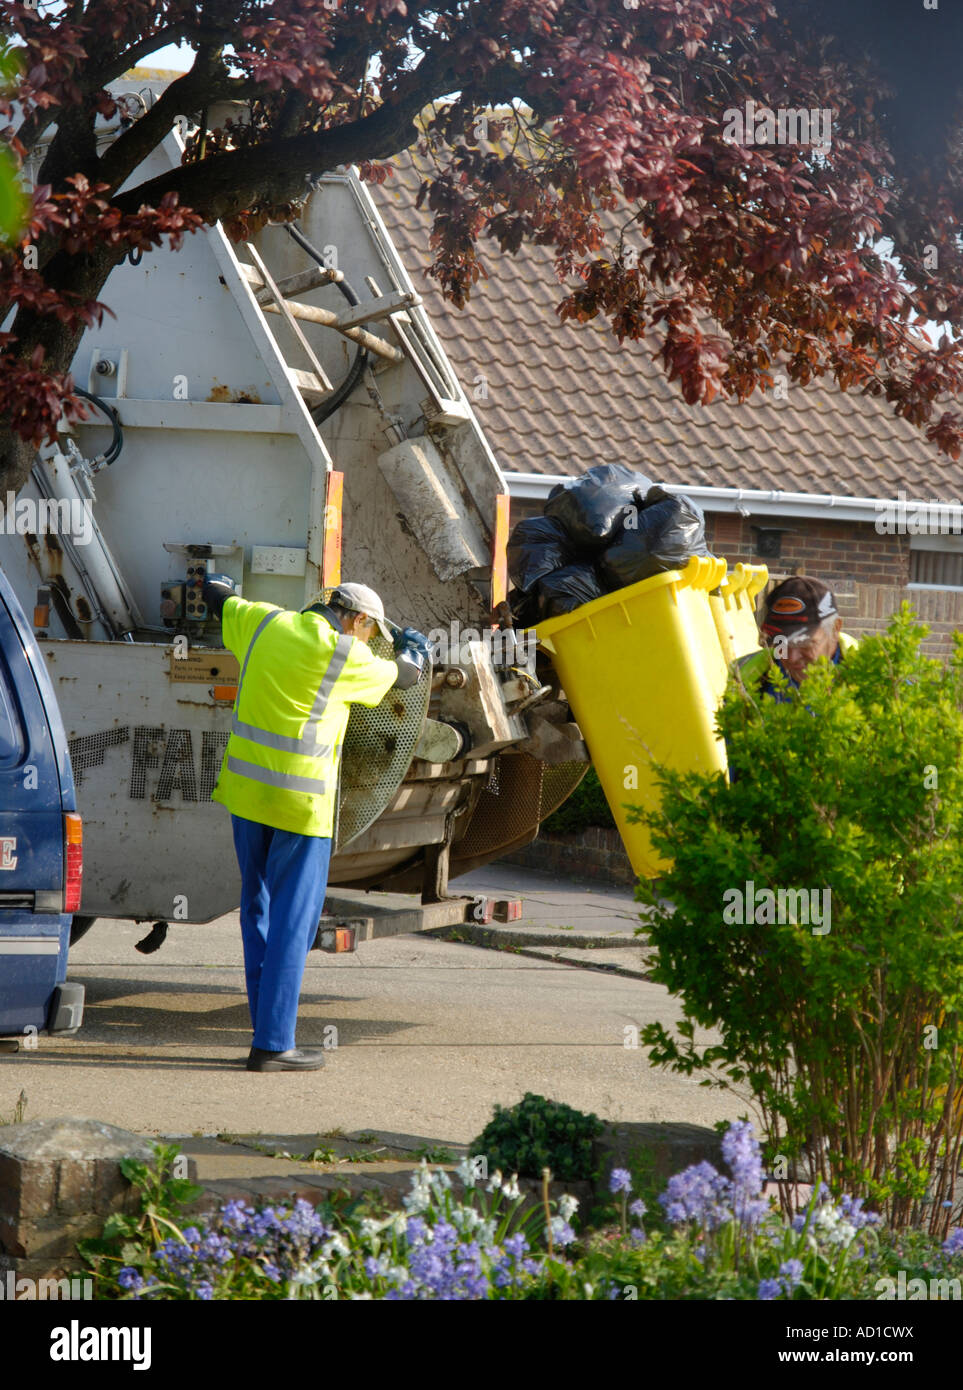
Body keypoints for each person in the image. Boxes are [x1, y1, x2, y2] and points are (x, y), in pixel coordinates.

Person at [201, 575, 431, 1072]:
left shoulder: (263, 622)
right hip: (301, 809)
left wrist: (216, 582)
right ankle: (273, 1044)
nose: (366, 641)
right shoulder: (346, 656)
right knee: (294, 924)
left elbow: (221, 602)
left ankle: (265, 1026)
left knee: (256, 910)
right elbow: (406, 677)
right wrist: (413, 651)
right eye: (370, 633)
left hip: (245, 797)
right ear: (359, 619)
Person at [736, 576, 857, 701]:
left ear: (835, 629)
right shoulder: (743, 673)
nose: (792, 657)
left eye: (804, 643)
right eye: (780, 643)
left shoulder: (872, 676)